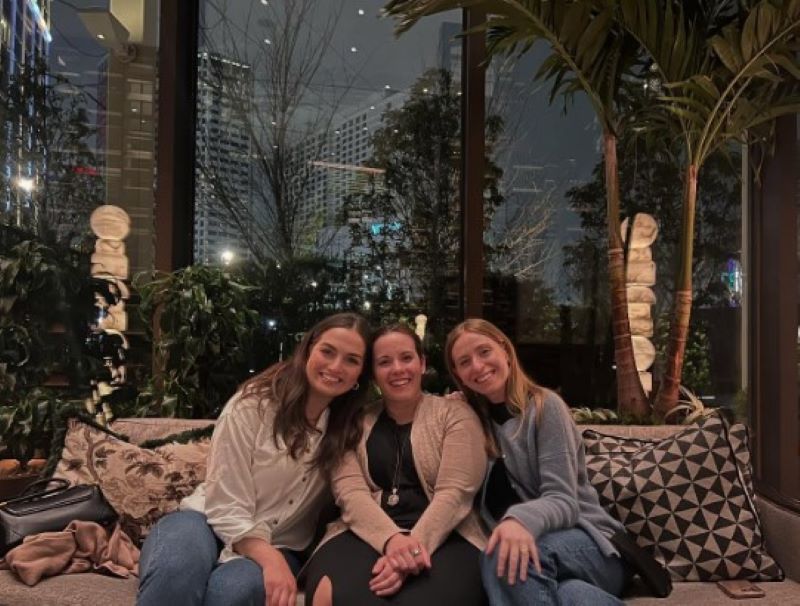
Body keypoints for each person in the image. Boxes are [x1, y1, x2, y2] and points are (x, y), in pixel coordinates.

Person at [137, 312, 372, 606]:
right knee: (176, 570)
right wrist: (269, 559)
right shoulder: (252, 406)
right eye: (327, 351)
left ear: (360, 374)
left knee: (234, 592)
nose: (335, 366)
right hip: (204, 521)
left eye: (351, 360)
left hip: (281, 541)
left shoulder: (350, 430)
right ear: (308, 349)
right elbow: (224, 504)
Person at [445, 318, 631, 606]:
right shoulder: (471, 422)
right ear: (457, 374)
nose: (478, 366)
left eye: (484, 351)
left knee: (503, 555)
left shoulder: (545, 407)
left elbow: (564, 500)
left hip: (593, 547)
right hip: (542, 564)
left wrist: (517, 521)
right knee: (572, 595)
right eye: (464, 362)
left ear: (505, 350)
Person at [304, 323, 488, 606]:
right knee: (332, 595)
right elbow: (350, 493)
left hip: (448, 533)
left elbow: (455, 493)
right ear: (373, 373)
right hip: (363, 530)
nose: (397, 369)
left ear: (422, 363)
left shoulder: (454, 415)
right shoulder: (354, 422)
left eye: (406, 358)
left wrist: (411, 550)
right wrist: (392, 541)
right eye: (384, 362)